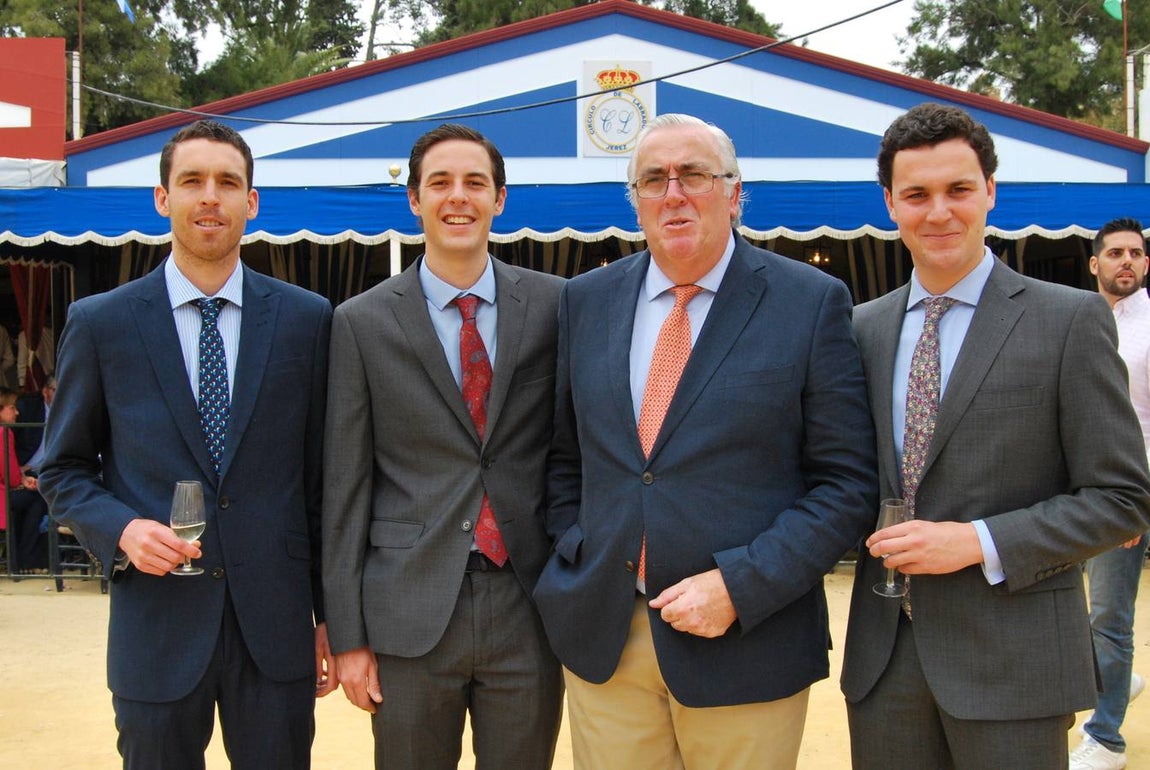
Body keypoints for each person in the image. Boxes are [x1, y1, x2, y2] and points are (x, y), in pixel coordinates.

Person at [533, 113, 878, 770]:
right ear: (634, 199)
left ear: (735, 192)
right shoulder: (587, 300)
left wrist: (741, 586)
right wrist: (580, 550)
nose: (674, 193)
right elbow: (566, 457)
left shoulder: (810, 301)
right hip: (607, 638)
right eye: (653, 180)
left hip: (745, 641)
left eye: (693, 174)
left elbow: (847, 485)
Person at [840, 102, 1150, 770]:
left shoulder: (1069, 321)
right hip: (884, 662)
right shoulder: (859, 329)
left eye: (958, 189)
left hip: (1016, 661)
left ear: (990, 192)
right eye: (917, 194)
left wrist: (977, 542)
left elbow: (1121, 497)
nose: (939, 211)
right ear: (891, 204)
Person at [39, 119, 336, 770]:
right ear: (161, 197)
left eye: (228, 182)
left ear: (251, 203)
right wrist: (122, 531)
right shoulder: (102, 324)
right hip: (158, 631)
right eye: (192, 181)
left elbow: (321, 484)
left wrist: (329, 616)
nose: (211, 197)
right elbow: (60, 469)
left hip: (275, 632)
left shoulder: (307, 321)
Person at [323, 123, 565, 769]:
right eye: (440, 183)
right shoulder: (360, 323)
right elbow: (344, 489)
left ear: (500, 199)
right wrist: (347, 636)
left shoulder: (555, 307)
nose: (458, 197)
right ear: (414, 199)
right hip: (407, 613)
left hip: (527, 607)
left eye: (474, 183)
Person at [1070, 217, 1150, 770]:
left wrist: (1134, 502)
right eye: (1116, 253)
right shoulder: (1073, 319)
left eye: (1137, 254)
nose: (1127, 261)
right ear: (1095, 264)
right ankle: (1121, 677)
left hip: (1125, 491)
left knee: (1109, 617)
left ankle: (1106, 739)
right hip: (1077, 488)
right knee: (1076, 611)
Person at [0, 387, 48, 571]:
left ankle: (21, 559)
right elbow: (11, 477)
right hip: (2, 497)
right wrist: (22, 481)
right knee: (38, 499)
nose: (17, 412)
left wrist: (21, 478)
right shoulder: (4, 432)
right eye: (12, 407)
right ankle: (24, 559)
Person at [21, 374, 56, 473]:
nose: (63, 396)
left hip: (58, 471)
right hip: (27, 470)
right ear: (45, 392)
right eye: (57, 391)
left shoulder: (73, 412)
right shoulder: (26, 409)